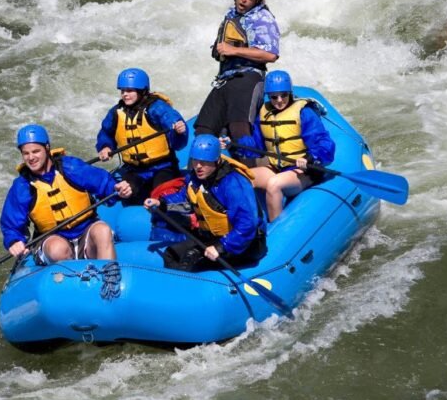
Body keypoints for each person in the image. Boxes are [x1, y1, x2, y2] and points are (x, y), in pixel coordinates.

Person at [0, 124, 133, 263]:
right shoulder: (22, 186)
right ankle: (70, 282)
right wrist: (14, 241)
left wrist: (117, 190)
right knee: (58, 249)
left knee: (103, 230)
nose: (31, 157)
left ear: (47, 148)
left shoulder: (71, 167)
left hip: (86, 232)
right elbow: (10, 224)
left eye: (36, 151)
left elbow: (105, 184)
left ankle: (109, 276)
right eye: (26, 153)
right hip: (52, 239)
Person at [144, 134, 266, 272]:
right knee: (172, 255)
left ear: (217, 160)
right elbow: (185, 199)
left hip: (245, 243)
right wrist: (161, 203)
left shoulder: (233, 184)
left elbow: (247, 224)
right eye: (195, 161)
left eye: (204, 162)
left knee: (190, 262)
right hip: (213, 238)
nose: (198, 167)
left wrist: (222, 246)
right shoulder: (195, 179)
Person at [194, 0, 281, 163]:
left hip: (249, 77)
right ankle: (198, 184)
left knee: (239, 127)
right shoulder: (231, 14)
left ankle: (249, 175)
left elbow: (271, 54)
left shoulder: (263, 19)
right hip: (225, 79)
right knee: (203, 128)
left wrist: (234, 51)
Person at [230, 70, 335, 221]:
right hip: (277, 168)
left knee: (274, 184)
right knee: (241, 178)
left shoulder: (304, 113)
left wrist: (311, 158)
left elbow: (324, 143)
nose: (279, 100)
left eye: (284, 95)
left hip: (304, 172)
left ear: (290, 93)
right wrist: (234, 144)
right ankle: (249, 225)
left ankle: (276, 232)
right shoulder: (264, 114)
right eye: (274, 97)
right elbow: (257, 146)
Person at [96, 67, 188, 205]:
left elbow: (173, 123)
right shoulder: (116, 112)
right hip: (134, 169)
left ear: (142, 91)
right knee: (127, 192)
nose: (125, 94)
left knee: (163, 194)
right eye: (122, 91)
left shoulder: (157, 108)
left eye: (130, 91)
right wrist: (105, 147)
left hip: (163, 166)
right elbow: (106, 132)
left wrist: (179, 130)